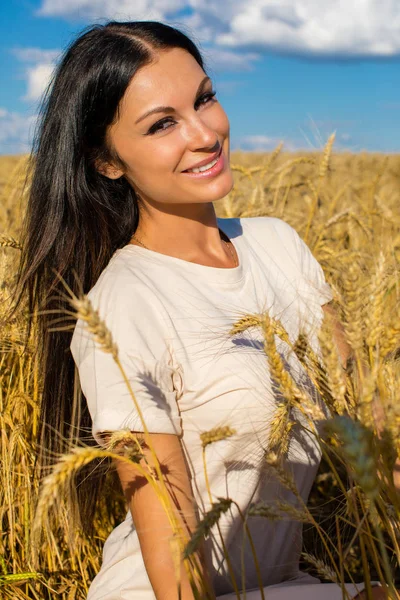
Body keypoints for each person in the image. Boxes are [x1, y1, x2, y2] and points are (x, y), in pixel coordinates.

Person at [15, 20, 385, 600]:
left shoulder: (279, 245)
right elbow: (174, 559)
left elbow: (370, 424)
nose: (205, 133)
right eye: (163, 124)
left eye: (204, 99)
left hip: (280, 585)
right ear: (107, 161)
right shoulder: (123, 304)